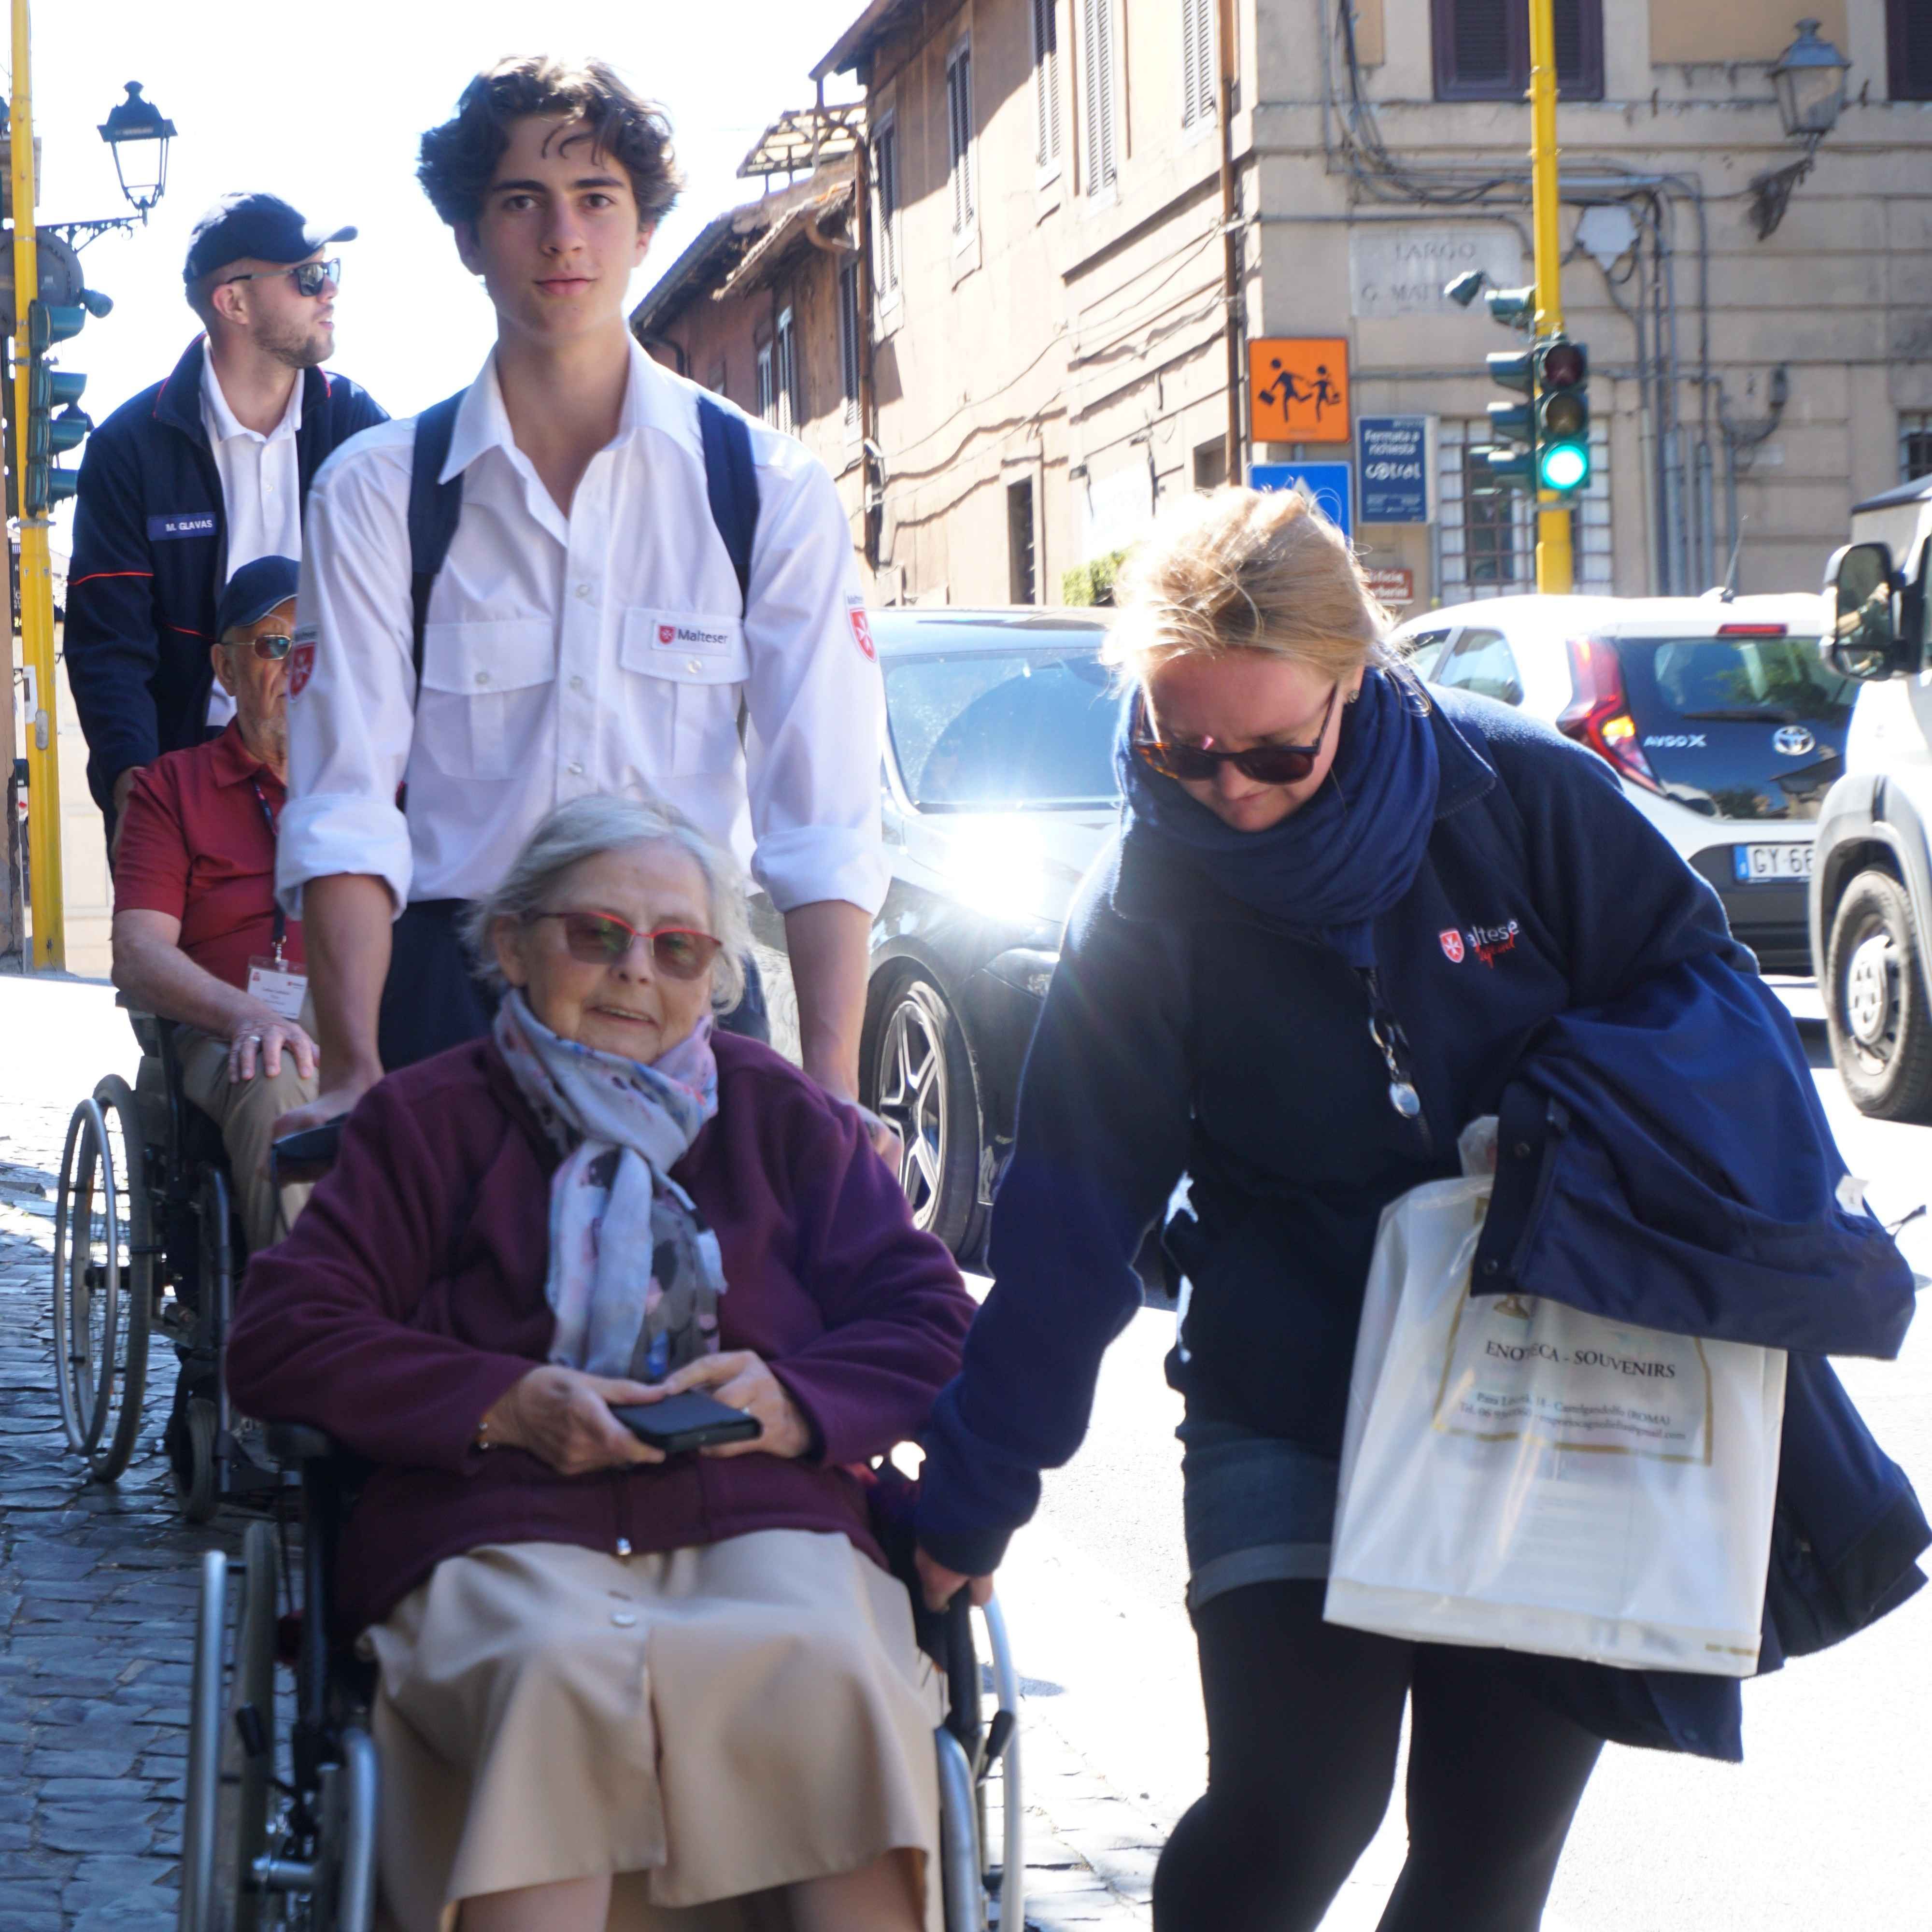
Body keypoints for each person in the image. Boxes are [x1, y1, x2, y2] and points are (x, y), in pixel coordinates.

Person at [909, 487, 1925, 1932]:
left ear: (1358, 678)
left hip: (1550, 1376)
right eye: (1175, 746)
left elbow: (1706, 999)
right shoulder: (1145, 899)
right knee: (1290, 1818)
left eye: (1270, 751)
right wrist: (972, 1490)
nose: (1226, 790)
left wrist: (1572, 1112)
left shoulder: (1522, 798)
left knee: (1486, 1854)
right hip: (1290, 1389)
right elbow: (1072, 1216)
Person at [226, 794, 975, 1932]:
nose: (637, 971)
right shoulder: (424, 1122)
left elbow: (929, 1315)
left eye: (677, 947)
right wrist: (504, 1403)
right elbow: (282, 1335)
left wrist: (796, 1402)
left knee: (823, 1656)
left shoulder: (780, 1117)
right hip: (496, 1520)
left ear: (714, 974)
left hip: (763, 1511)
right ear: (515, 942)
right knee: (550, 1669)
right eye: (597, 935)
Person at [274, 57, 887, 1153]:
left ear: (644, 228)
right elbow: (345, 804)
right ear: (468, 236)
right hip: (453, 995)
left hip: (684, 995)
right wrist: (358, 1068)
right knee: (439, 1321)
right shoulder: (375, 492)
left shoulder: (768, 492)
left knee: (713, 1318)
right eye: (521, 203)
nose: (563, 236)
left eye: (597, 200)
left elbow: (825, 816)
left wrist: (831, 1087)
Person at [65, 192, 385, 841]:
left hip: (340, 767)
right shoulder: (131, 446)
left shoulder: (359, 425)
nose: (329, 292)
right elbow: (109, 645)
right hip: (189, 779)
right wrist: (137, 792)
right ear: (233, 302)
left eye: (330, 272)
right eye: (307, 277)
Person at [112, 556, 316, 1257]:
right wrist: (249, 1016)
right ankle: (308, 1331)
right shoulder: (172, 788)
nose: (295, 664)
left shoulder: (380, 783)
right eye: (273, 643)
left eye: (311, 643)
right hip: (222, 1028)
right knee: (274, 1074)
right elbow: (139, 955)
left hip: (347, 1017)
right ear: (226, 673)